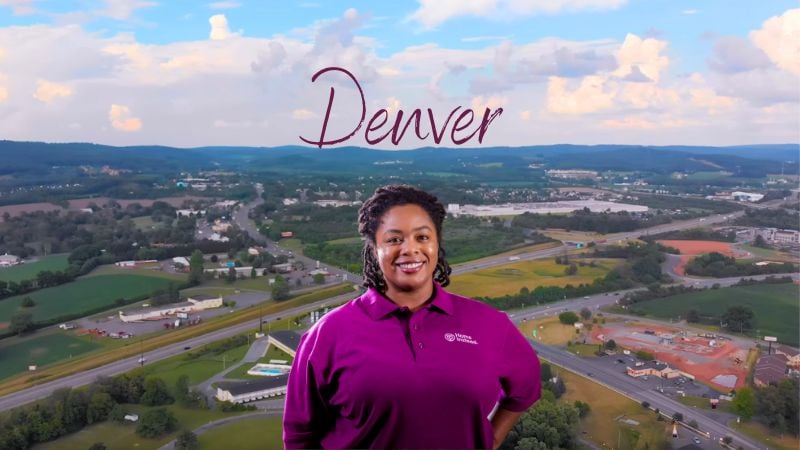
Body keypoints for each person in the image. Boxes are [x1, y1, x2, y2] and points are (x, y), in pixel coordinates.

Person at [283, 185, 541, 449]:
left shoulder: (489, 324)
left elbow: (526, 387)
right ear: (374, 249)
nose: (409, 249)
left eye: (422, 237)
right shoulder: (328, 333)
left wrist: (490, 439)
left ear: (437, 244)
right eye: (394, 239)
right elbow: (300, 435)